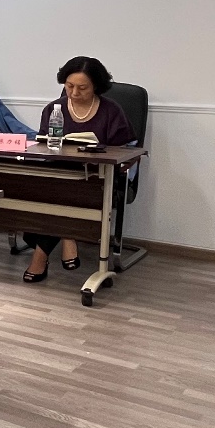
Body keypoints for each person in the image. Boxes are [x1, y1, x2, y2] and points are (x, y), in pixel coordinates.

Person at [23, 57, 135, 283]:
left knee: (59, 194)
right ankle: (68, 235)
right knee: (43, 189)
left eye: (82, 88)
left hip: (98, 178)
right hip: (59, 174)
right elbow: (43, 145)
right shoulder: (54, 109)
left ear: (96, 86)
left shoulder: (111, 110)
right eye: (69, 86)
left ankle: (40, 257)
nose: (74, 93)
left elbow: (128, 152)